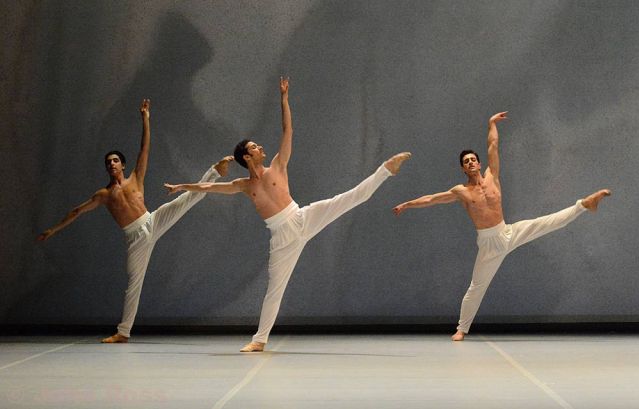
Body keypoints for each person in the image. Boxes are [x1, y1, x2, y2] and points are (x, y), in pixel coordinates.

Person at [165, 78, 411, 351]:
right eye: (255, 147)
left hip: (301, 217)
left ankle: (386, 169)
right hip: (281, 236)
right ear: (246, 157)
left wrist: (284, 99)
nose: (261, 148)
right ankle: (259, 341)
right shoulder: (244, 185)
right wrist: (181, 186)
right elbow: (208, 187)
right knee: (275, 289)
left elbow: (288, 130)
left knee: (351, 197)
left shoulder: (278, 165)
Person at [393, 111, 610, 341]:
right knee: (476, 288)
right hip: (488, 244)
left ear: (478, 163)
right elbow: (432, 199)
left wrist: (491, 124)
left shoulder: (492, 176)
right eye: (466, 162)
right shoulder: (461, 191)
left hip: (507, 232)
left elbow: (493, 145)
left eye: (473, 159)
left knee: (548, 223)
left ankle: (584, 205)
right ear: (463, 169)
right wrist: (407, 204)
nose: (470, 162)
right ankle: (461, 329)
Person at [37, 99, 233, 343]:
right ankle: (123, 332)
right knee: (134, 284)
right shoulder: (104, 194)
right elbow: (77, 211)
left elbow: (144, 149)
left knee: (187, 199)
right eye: (108, 162)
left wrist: (145, 119)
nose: (111, 164)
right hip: (135, 238)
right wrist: (53, 230)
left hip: (151, 221)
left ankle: (215, 170)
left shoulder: (135, 178)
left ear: (122, 165)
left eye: (115, 160)